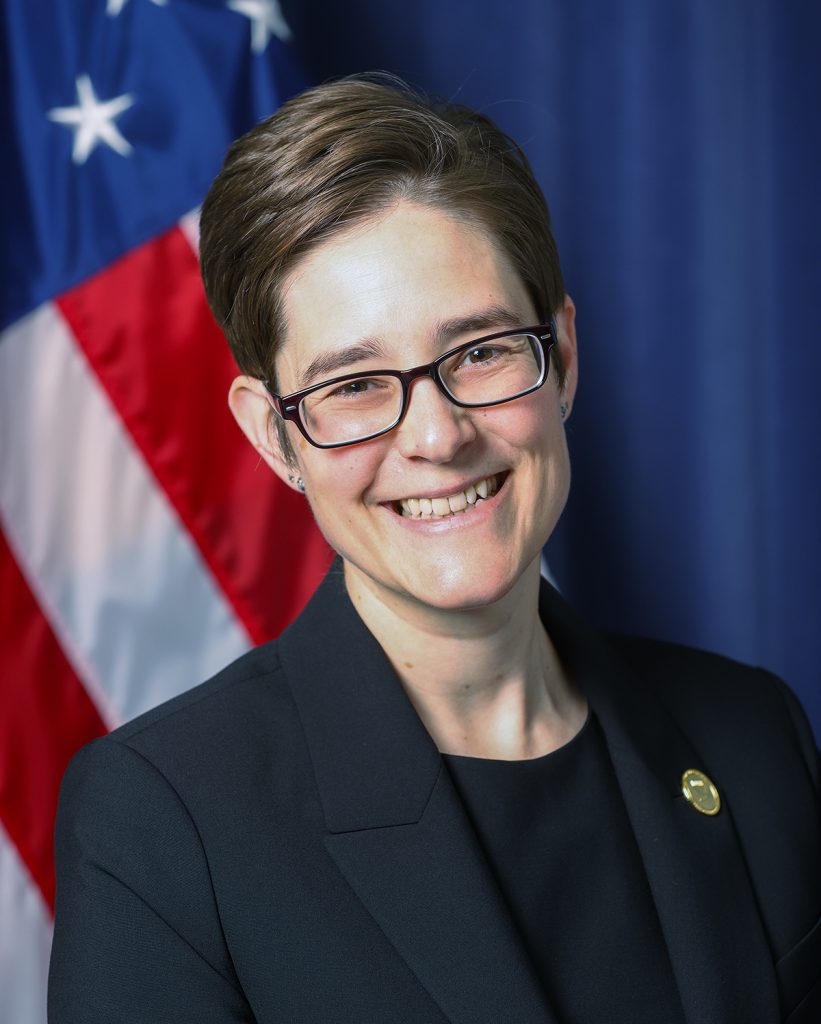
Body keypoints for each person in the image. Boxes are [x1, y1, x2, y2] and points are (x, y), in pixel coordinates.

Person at [48, 76, 820, 1024]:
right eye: (357, 385)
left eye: (481, 352)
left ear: (563, 358)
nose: (437, 436)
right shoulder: (165, 824)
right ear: (272, 437)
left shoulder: (753, 735)